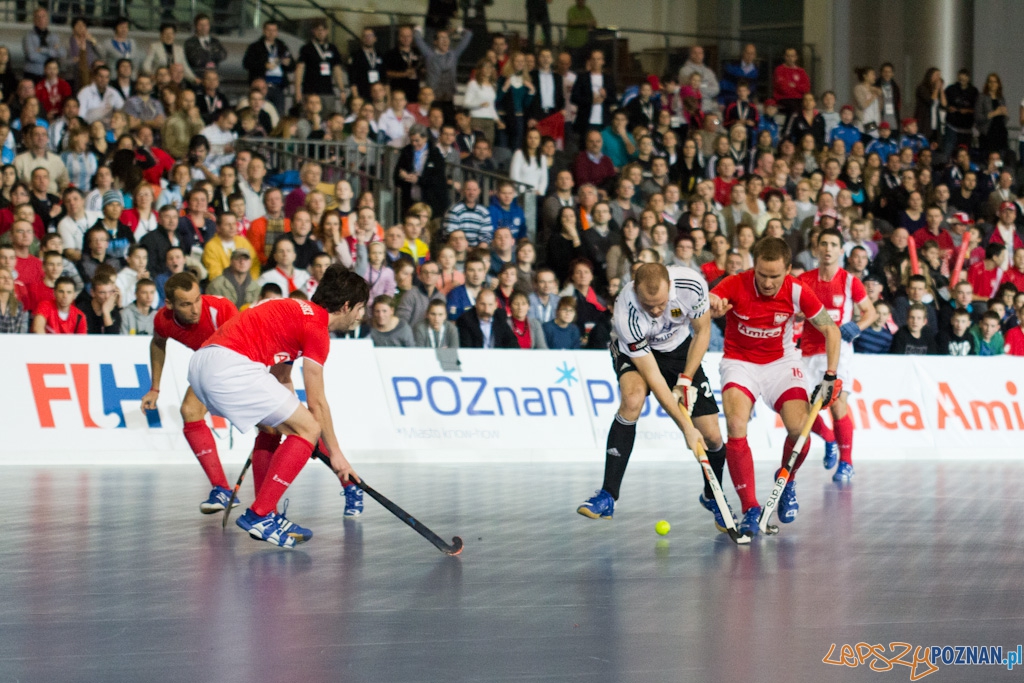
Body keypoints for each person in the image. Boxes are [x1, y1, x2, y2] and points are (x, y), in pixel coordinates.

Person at [187, 266, 366, 546]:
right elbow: (317, 402)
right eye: (360, 308)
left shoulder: (296, 309)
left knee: (273, 427)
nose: (360, 316)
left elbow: (281, 378)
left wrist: (300, 434)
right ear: (346, 306)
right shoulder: (317, 328)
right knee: (308, 428)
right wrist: (336, 454)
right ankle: (259, 514)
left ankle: (266, 511)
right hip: (231, 367)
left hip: (203, 364)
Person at [576, 261, 730, 530]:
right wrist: (686, 427)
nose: (658, 311)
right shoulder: (626, 313)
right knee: (632, 399)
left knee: (713, 435)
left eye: (661, 304)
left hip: (680, 349)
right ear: (636, 291)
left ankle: (712, 496)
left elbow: (702, 331)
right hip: (638, 352)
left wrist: (686, 378)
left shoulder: (691, 284)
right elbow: (654, 377)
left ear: (670, 286)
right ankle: (608, 495)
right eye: (650, 306)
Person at [708, 237, 841, 536]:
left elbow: (831, 330)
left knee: (800, 428)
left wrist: (829, 376)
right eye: (762, 275)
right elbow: (709, 303)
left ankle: (787, 481)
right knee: (736, 424)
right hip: (739, 362)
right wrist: (712, 306)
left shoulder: (797, 290)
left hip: (781, 363)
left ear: (788, 270)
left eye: (775, 277)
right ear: (753, 267)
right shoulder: (734, 283)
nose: (767, 283)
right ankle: (750, 508)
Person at [797, 228, 876, 483]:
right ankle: (829, 438)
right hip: (808, 351)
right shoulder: (804, 280)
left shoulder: (851, 281)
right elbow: (794, 310)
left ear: (841, 251)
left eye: (833, 244)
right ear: (817, 248)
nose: (828, 248)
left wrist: (857, 327)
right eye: (824, 243)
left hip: (839, 352)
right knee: (803, 410)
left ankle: (847, 463)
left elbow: (870, 313)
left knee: (838, 404)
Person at [413, 25, 473, 120]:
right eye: (441, 38)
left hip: (448, 100)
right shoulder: (430, 55)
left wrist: (457, 30)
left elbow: (468, 34)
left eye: (446, 38)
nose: (445, 40)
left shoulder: (453, 55)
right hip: (433, 101)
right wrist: (419, 28)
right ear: (435, 42)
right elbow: (417, 38)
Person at [394, 125, 447, 219]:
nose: (414, 144)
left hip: (430, 202)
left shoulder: (435, 154)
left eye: (417, 140)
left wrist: (418, 180)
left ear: (425, 138)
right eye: (412, 141)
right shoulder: (407, 151)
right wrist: (403, 176)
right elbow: (396, 174)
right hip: (410, 201)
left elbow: (438, 180)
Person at [773, 48, 810, 116]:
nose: (790, 58)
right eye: (788, 56)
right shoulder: (779, 70)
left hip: (799, 99)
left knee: (808, 106)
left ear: (796, 57)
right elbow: (783, 88)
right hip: (784, 99)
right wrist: (798, 88)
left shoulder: (801, 71)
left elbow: (806, 88)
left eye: (792, 56)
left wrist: (795, 85)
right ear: (785, 57)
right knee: (795, 110)